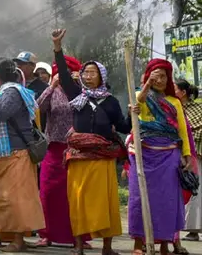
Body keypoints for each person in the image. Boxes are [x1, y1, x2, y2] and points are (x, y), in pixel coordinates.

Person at [51, 29, 129, 255]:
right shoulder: (77, 96)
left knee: (106, 202)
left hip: (103, 158)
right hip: (78, 158)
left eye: (92, 73)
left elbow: (123, 126)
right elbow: (64, 75)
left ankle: (107, 247)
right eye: (85, 72)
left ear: (101, 76)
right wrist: (57, 47)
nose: (87, 76)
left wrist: (136, 113)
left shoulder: (111, 102)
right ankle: (78, 245)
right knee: (78, 201)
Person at [0, 57, 45, 253]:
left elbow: (2, 112)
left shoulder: (12, 92)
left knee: (16, 200)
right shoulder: (7, 91)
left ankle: (18, 239)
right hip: (2, 153)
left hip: (15, 153)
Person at [128, 57, 193, 255]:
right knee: (139, 198)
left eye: (164, 76)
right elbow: (138, 103)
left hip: (169, 155)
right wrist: (147, 84)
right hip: (143, 154)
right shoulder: (139, 95)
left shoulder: (174, 102)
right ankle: (138, 242)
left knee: (167, 200)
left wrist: (186, 154)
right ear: (148, 76)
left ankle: (165, 243)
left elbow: (182, 130)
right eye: (156, 76)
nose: (160, 80)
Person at [34, 54, 90, 249]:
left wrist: (81, 83)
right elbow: (38, 107)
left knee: (76, 194)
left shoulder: (81, 91)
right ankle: (46, 234)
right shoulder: (53, 90)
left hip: (77, 148)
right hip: (54, 148)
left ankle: (79, 236)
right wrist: (51, 86)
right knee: (48, 193)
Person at [180, 80, 202, 241]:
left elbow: (193, 131)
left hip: (195, 155)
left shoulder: (195, 109)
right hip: (179, 154)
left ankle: (193, 229)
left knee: (194, 189)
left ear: (183, 93)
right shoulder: (174, 107)